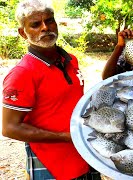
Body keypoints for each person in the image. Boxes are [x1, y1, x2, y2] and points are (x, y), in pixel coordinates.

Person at [1, 0, 100, 179]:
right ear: (23, 33)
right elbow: (9, 128)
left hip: (84, 154)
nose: (45, 27)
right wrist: (68, 137)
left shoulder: (70, 60)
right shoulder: (22, 73)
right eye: (35, 24)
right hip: (51, 164)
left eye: (50, 20)